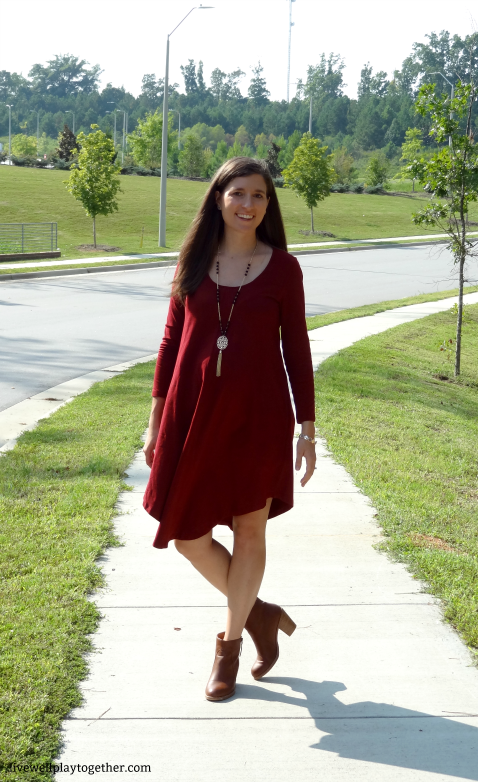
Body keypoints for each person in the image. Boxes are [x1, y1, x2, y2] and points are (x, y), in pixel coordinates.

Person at [143, 157, 316, 701]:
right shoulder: (193, 262)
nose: (248, 204)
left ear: (269, 205)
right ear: (218, 197)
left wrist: (307, 427)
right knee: (188, 536)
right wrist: (154, 419)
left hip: (260, 418)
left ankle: (231, 644)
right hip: (193, 413)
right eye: (238, 193)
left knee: (250, 531)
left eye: (259, 196)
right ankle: (260, 613)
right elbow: (171, 342)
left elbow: (298, 348)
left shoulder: (284, 269)